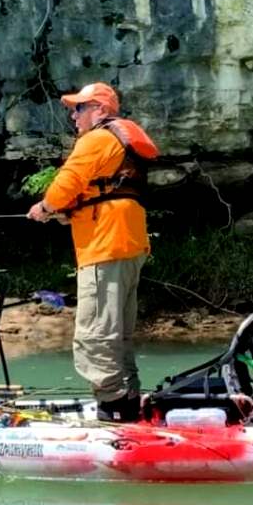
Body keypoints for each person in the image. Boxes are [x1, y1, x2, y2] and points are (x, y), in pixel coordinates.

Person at [27, 82, 158, 422]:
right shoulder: (118, 143)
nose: (74, 115)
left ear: (100, 110)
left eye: (80, 108)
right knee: (119, 332)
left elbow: (64, 186)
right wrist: (66, 211)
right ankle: (128, 400)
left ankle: (113, 409)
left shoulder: (97, 139)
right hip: (129, 244)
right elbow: (97, 194)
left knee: (96, 333)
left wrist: (45, 206)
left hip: (104, 246)